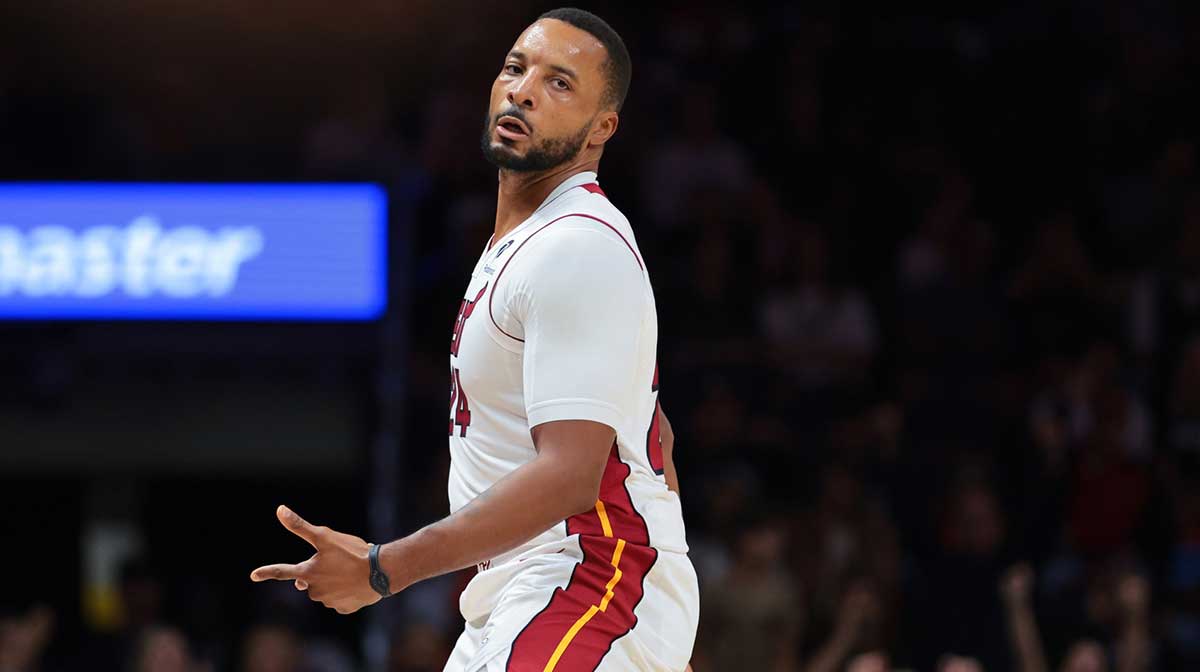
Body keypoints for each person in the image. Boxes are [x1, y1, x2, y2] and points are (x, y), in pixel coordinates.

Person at [250, 8, 698, 671]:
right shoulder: (522, 244)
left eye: (559, 84)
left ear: (602, 128)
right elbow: (651, 433)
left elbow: (573, 477)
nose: (523, 90)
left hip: (586, 578)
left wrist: (384, 568)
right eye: (516, 68)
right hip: (534, 593)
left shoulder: (577, 245)